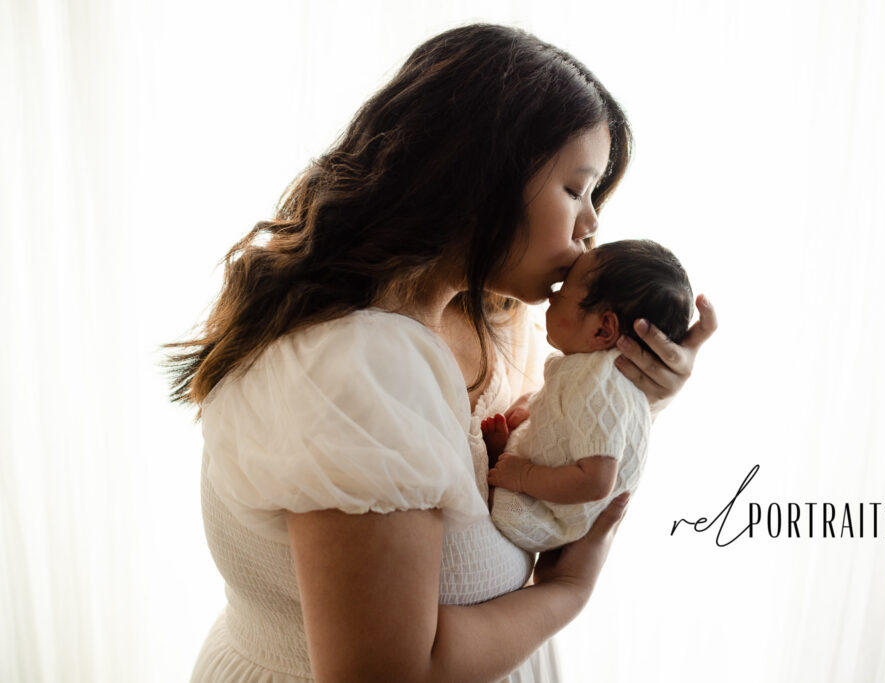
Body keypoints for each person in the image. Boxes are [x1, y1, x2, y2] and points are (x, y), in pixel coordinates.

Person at [163, 23, 716, 682]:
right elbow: (392, 669)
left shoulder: (485, 319)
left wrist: (632, 392)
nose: (592, 222)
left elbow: (548, 456)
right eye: (576, 188)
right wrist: (565, 592)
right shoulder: (363, 366)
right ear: (480, 176)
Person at [484, 239, 693, 553]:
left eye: (563, 291)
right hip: (555, 496)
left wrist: (523, 476)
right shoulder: (602, 373)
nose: (552, 296)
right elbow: (577, 420)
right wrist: (535, 408)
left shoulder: (598, 380)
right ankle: (505, 456)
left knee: (497, 505)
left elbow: (596, 482)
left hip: (545, 517)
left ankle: (497, 465)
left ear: (602, 330)